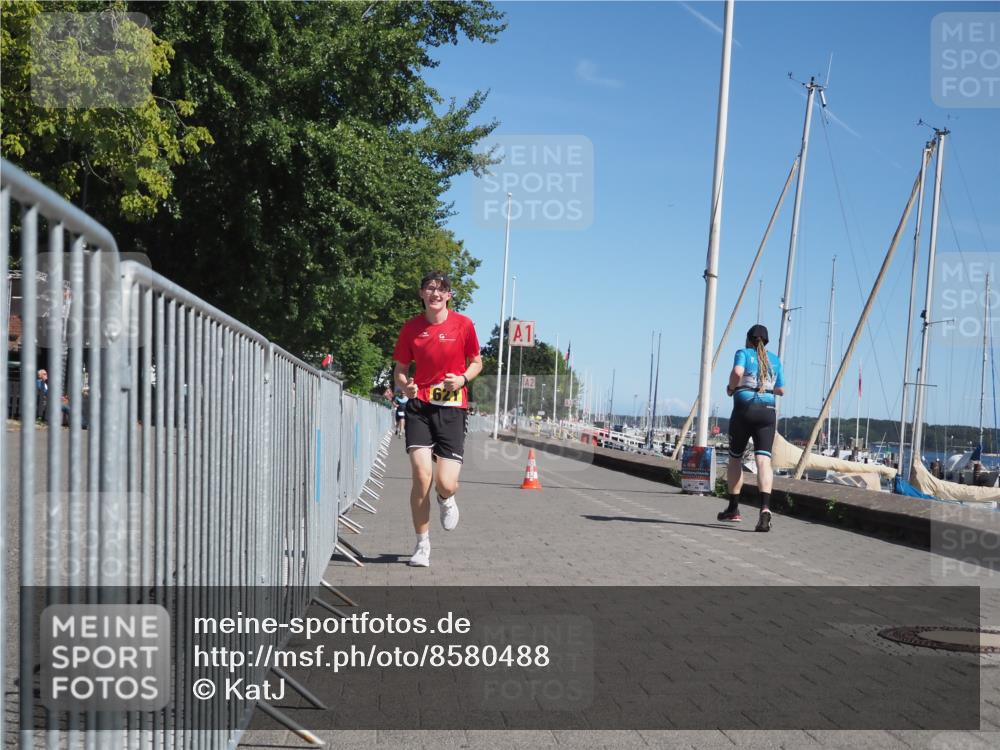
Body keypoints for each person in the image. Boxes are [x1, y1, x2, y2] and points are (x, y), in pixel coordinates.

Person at [392, 271, 482, 567]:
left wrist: (463, 379)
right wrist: (405, 386)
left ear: (449, 296)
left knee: (445, 482)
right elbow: (401, 370)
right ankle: (422, 545)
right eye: (429, 288)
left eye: (441, 289)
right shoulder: (411, 329)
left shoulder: (464, 325)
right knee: (421, 477)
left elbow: (477, 362)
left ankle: (446, 499)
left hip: (452, 407)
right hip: (419, 406)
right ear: (421, 294)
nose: (435, 293)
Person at [718, 324, 786, 532]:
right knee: (763, 460)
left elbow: (737, 372)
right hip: (768, 411)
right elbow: (781, 389)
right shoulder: (774, 360)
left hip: (744, 409)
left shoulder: (744, 353)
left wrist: (731, 388)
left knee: (735, 458)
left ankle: (734, 508)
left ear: (748, 339)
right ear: (766, 342)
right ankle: (765, 509)